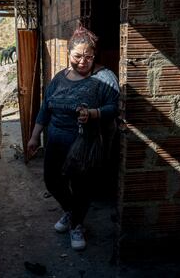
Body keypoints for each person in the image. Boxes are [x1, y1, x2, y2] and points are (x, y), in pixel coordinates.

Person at [27, 25, 120, 250]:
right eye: (77, 56)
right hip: (56, 141)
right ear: (69, 54)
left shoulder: (105, 77)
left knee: (81, 187)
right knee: (52, 180)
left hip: (84, 143)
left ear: (94, 56)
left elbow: (115, 107)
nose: (83, 61)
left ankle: (77, 225)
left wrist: (94, 113)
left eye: (88, 56)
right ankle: (71, 212)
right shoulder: (59, 78)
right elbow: (45, 108)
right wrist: (34, 137)